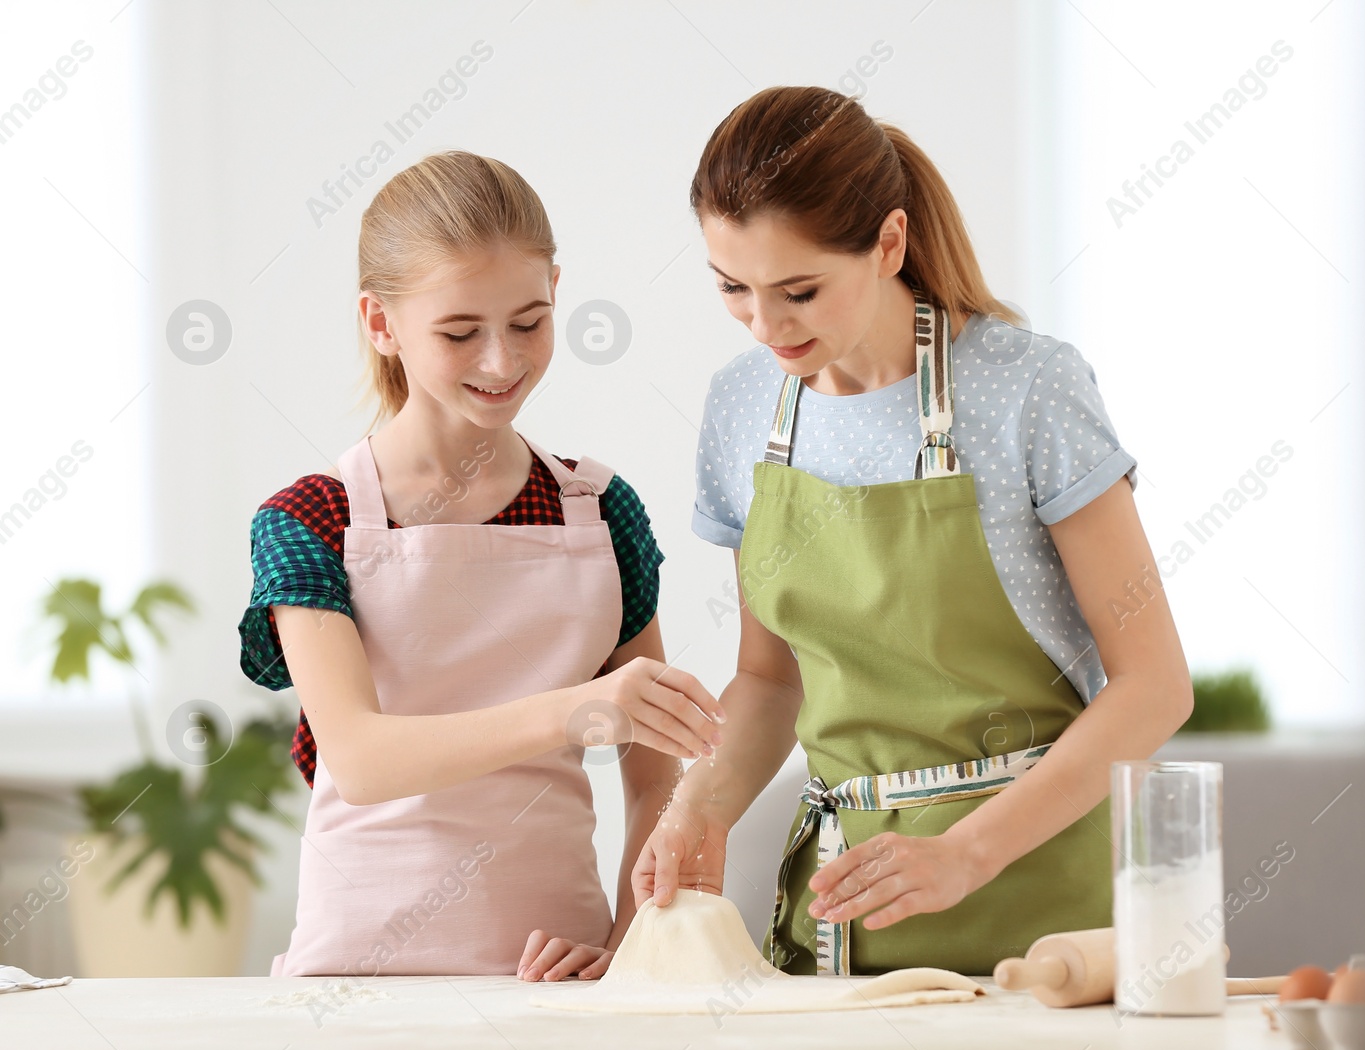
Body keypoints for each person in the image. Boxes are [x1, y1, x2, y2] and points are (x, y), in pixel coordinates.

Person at [633, 88, 1192, 976]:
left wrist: (968, 851)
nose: (765, 325)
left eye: (799, 290)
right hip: (845, 931)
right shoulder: (743, 407)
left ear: (889, 242)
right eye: (733, 288)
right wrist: (702, 803)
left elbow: (1154, 686)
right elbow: (769, 680)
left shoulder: (1027, 387)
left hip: (1048, 928)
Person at [239, 151, 722, 980]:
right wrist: (575, 710)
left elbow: (657, 787)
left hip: (557, 984)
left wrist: (626, 944)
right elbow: (359, 759)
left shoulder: (603, 512)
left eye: (529, 322)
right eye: (460, 332)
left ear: (557, 293)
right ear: (380, 323)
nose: (501, 361)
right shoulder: (310, 519)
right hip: (355, 988)